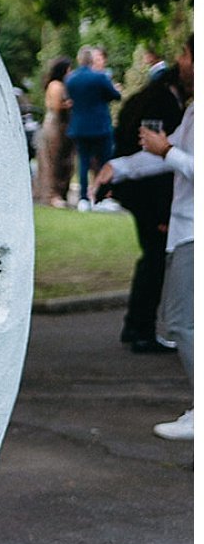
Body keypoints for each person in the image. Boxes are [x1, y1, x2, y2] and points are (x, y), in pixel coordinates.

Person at [97, 36, 194, 442]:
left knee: (183, 323)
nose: (181, 62)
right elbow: (163, 159)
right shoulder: (193, 109)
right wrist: (118, 167)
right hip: (185, 228)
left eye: (187, 54)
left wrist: (167, 148)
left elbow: (180, 160)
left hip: (193, 231)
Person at [101, 47, 189, 352]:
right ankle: (139, 328)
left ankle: (139, 327)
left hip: (170, 210)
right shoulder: (175, 107)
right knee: (158, 269)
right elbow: (163, 156)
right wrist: (121, 167)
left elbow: (168, 154)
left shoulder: (174, 104)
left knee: (180, 316)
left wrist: (160, 153)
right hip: (159, 203)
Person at [65, 45, 121, 208]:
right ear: (91, 60)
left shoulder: (71, 79)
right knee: (104, 162)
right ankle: (102, 197)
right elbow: (115, 95)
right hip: (99, 126)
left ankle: (83, 199)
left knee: (83, 163)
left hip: (79, 126)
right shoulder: (100, 77)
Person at [33, 56, 73, 207]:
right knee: (52, 158)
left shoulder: (60, 84)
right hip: (55, 124)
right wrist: (70, 104)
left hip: (61, 124)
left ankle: (58, 193)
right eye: (69, 69)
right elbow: (57, 106)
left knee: (61, 159)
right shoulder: (56, 85)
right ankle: (51, 195)